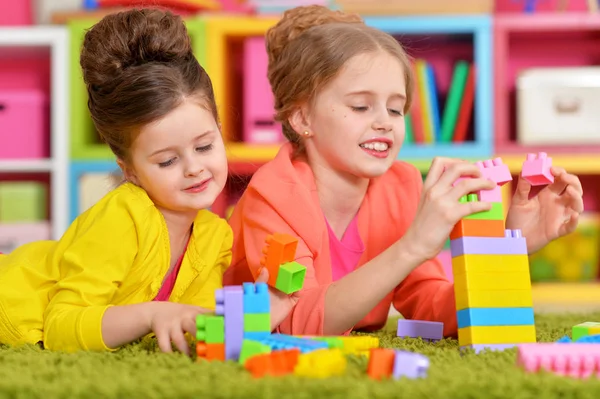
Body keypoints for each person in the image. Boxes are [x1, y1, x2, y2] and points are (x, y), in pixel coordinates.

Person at [224, 5, 584, 337]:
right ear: (303, 117)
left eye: (396, 110)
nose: (384, 122)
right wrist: (412, 246)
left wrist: (511, 247)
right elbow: (295, 322)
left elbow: (430, 306)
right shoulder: (272, 196)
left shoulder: (401, 184)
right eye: (361, 106)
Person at [0, 8, 232, 354]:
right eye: (168, 160)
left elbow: (191, 324)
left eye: (205, 145)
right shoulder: (122, 218)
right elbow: (61, 327)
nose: (194, 168)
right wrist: (153, 314)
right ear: (130, 170)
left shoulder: (215, 236)